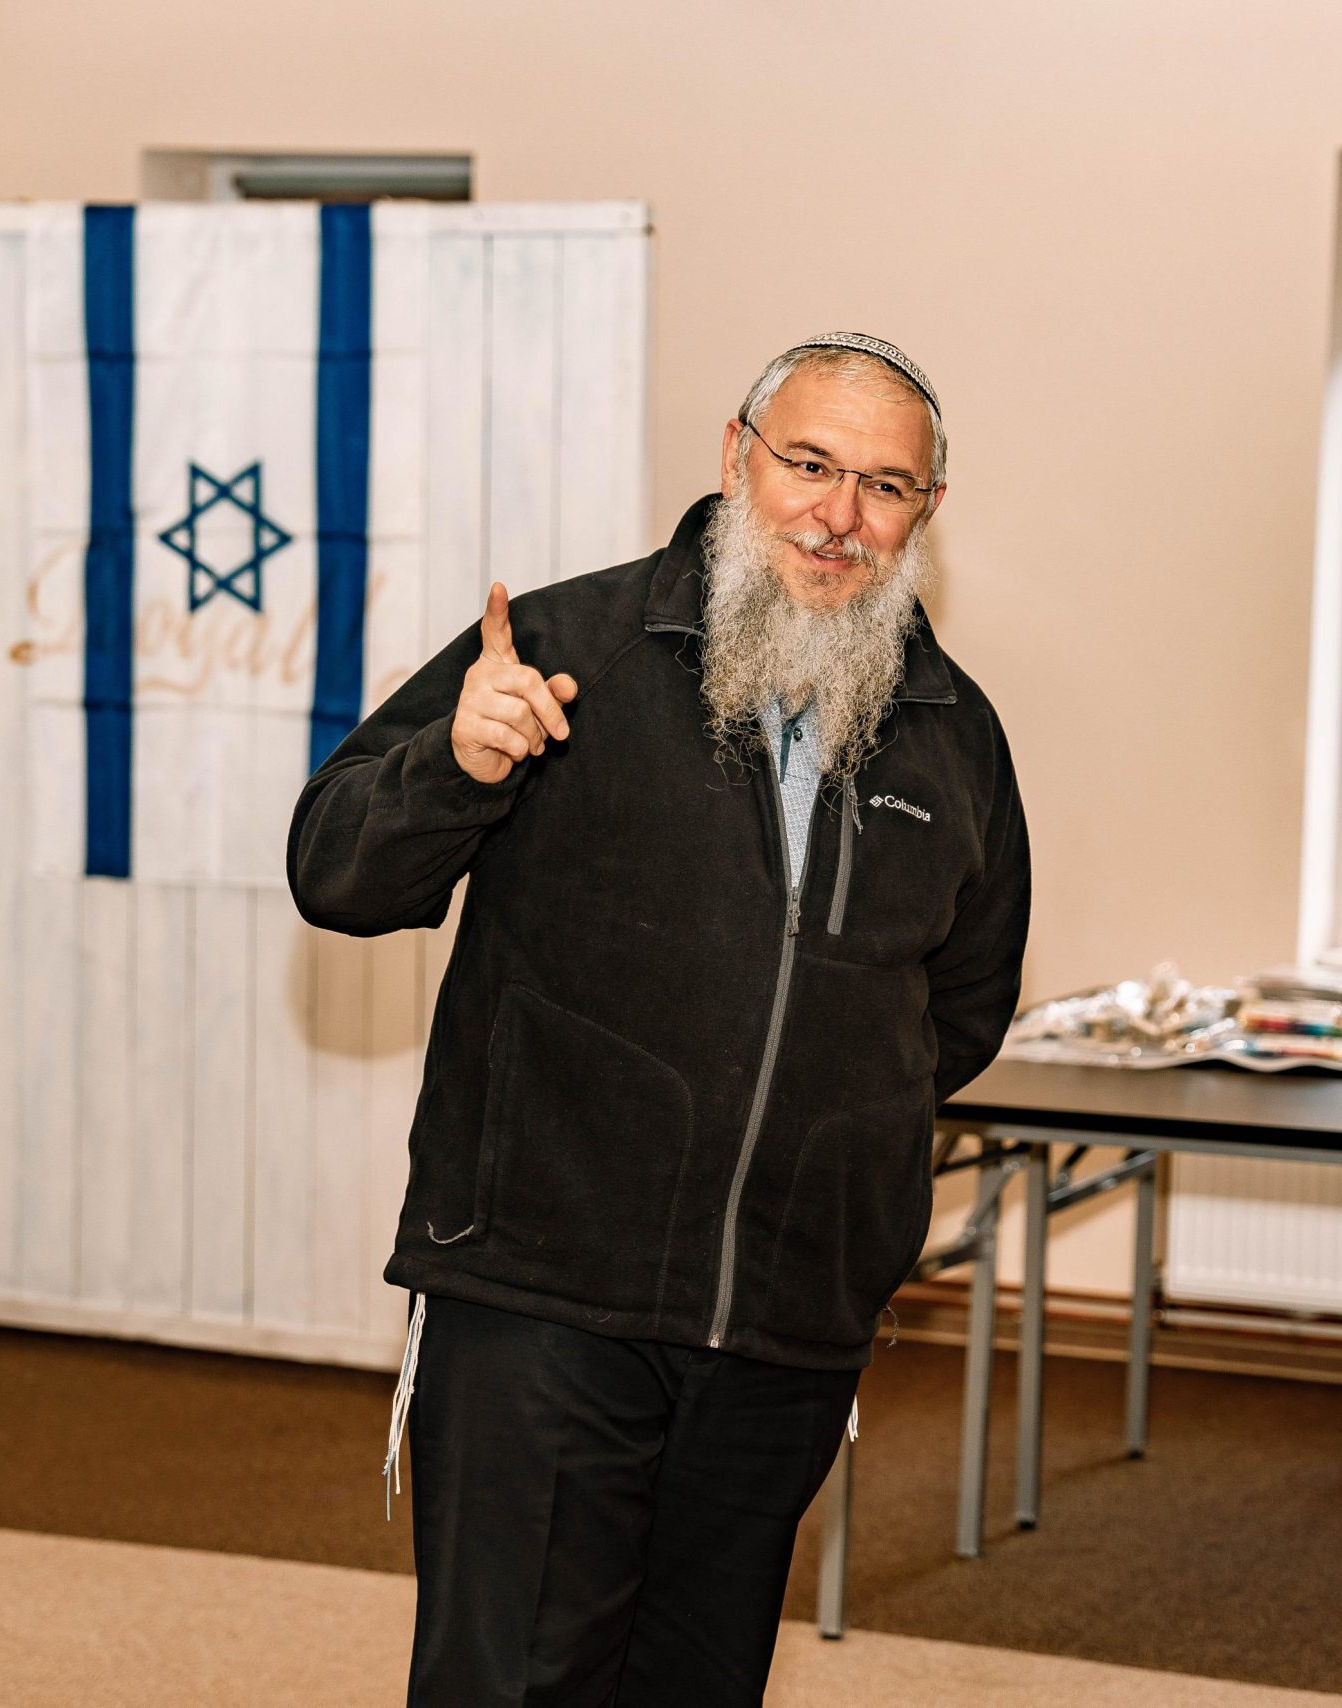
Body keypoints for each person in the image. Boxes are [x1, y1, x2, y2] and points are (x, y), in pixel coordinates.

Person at [289, 333, 1031, 1705]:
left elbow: (961, 1004)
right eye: (809, 464)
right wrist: (452, 767)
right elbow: (336, 873)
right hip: (547, 1294)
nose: (839, 514)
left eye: (885, 486)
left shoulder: (950, 731)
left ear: (925, 511)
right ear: (737, 457)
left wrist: (830, 1138)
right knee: (517, 1683)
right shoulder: (568, 650)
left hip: (788, 1322)